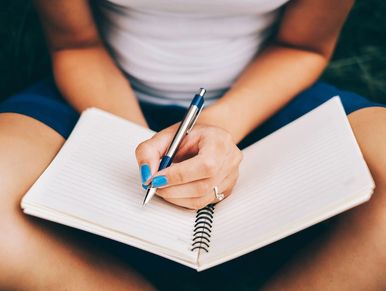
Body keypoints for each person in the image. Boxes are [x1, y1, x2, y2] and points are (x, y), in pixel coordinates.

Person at [0, 0, 385, 289]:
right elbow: (75, 46)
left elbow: (304, 47)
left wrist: (219, 125)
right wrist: (135, 139)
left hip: (271, 96)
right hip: (93, 95)